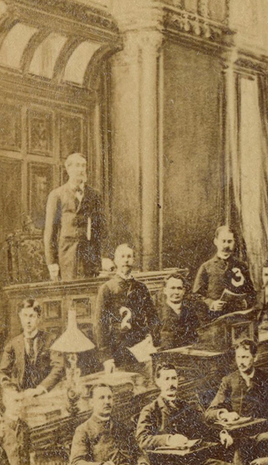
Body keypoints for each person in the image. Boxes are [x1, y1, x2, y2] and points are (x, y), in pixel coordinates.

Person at [208, 338, 268, 460]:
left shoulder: (267, 379)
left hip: (263, 433)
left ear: (255, 358)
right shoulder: (228, 381)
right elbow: (210, 411)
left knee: (266, 446)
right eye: (238, 357)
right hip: (239, 437)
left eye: (245, 357)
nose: (241, 362)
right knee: (239, 458)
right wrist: (224, 414)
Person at [94, 243, 157, 371]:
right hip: (117, 348)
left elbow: (152, 316)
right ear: (115, 260)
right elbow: (100, 324)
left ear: (134, 260)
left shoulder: (141, 287)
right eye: (122, 257)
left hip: (141, 346)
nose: (126, 260)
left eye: (129, 256)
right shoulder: (107, 288)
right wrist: (106, 357)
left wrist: (151, 337)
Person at [43, 152, 104, 282]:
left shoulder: (94, 195)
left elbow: (99, 230)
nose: (81, 169)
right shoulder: (57, 195)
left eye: (83, 166)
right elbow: (50, 232)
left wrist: (101, 258)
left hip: (89, 257)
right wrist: (52, 262)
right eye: (77, 166)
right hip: (66, 256)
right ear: (68, 168)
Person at [0, 300, 65, 399]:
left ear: (39, 318)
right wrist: (7, 386)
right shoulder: (13, 343)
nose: (28, 321)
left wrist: (41, 388)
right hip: (21, 395)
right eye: (24, 316)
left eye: (32, 316)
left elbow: (59, 367)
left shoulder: (51, 339)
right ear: (20, 317)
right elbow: (2, 372)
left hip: (46, 394)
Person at [192, 224, 254, 317]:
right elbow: (196, 296)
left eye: (229, 241)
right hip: (214, 317)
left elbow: (251, 293)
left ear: (234, 243)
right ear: (216, 241)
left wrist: (245, 302)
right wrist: (211, 303)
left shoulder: (242, 266)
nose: (226, 245)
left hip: (237, 317)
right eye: (223, 241)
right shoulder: (206, 267)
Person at [152, 273, 203, 350]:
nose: (176, 292)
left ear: (184, 291)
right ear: (165, 290)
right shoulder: (157, 313)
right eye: (172, 288)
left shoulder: (191, 312)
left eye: (179, 288)